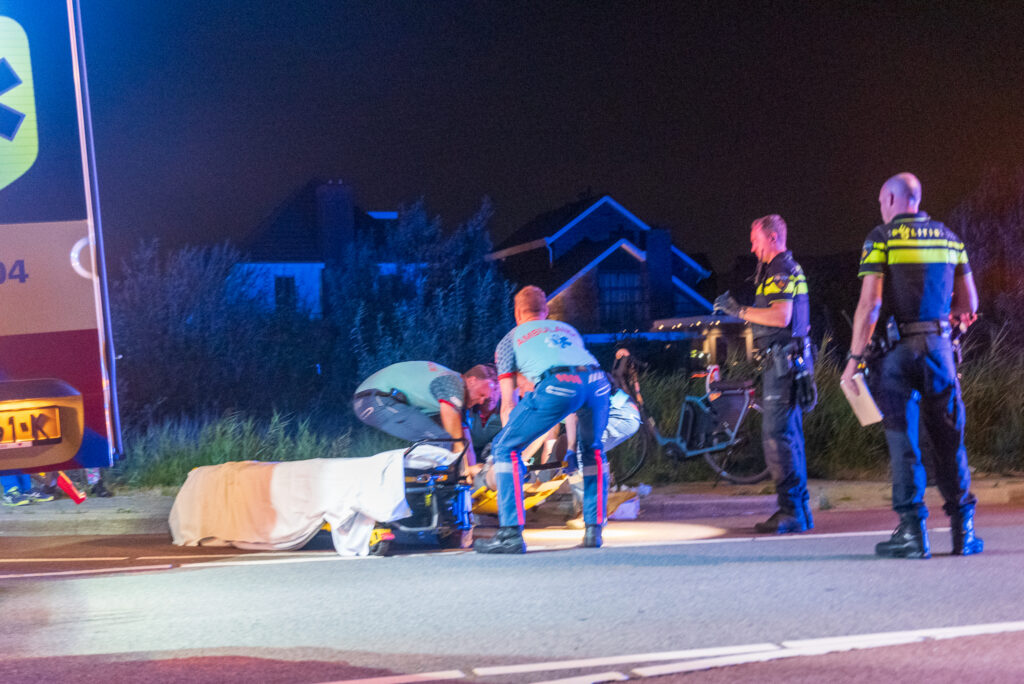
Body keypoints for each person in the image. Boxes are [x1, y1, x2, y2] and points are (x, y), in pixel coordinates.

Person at [842, 172, 982, 559]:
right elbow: (969, 305)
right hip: (940, 351)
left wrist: (854, 359)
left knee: (903, 441)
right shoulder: (951, 238)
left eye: (880, 202)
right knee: (949, 439)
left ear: (890, 199)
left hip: (898, 352)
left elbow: (870, 304)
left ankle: (912, 533)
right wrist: (942, 317)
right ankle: (963, 531)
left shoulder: (880, 238)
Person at [473, 285, 611, 553]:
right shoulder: (568, 331)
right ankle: (594, 529)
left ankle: (510, 534)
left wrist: (513, 449)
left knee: (504, 447)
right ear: (545, 310)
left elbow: (508, 403)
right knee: (593, 451)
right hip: (597, 383)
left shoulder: (509, 340)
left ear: (517, 313)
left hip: (558, 383)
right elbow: (575, 396)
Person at [715, 214, 813, 534]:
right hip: (793, 363)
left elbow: (781, 316)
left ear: (772, 238)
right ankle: (800, 509)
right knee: (791, 438)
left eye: (756, 240)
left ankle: (790, 511)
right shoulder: (791, 267)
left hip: (783, 366)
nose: (752, 247)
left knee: (777, 439)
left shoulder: (779, 270)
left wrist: (738, 310)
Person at [353, 361, 499, 470]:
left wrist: (472, 473)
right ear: (472, 380)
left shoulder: (451, 402)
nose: (480, 401)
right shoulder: (453, 381)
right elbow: (457, 441)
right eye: (481, 394)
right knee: (443, 441)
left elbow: (465, 440)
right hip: (373, 398)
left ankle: (427, 482)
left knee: (443, 441)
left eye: (485, 400)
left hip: (380, 400)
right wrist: (465, 469)